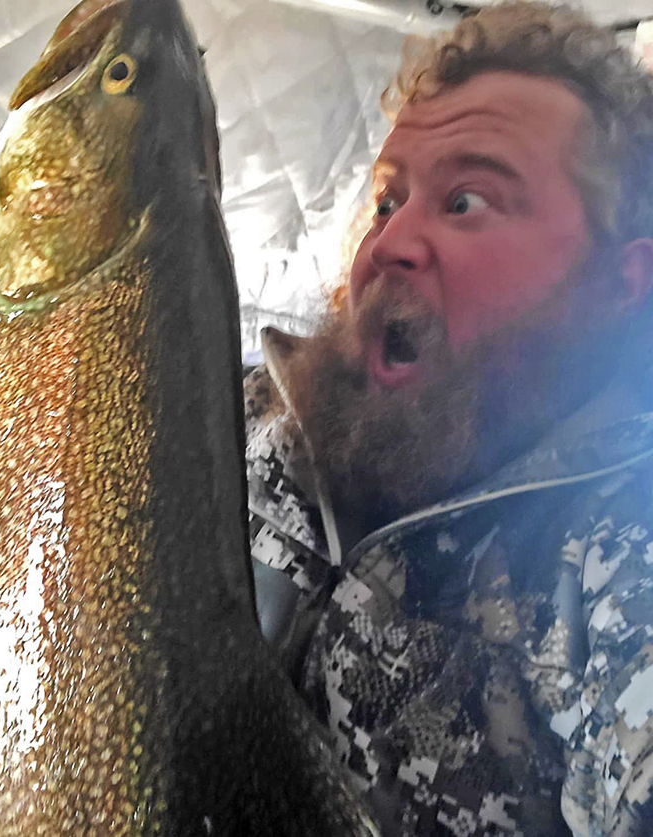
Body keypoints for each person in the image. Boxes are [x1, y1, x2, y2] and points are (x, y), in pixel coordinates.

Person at [243, 2, 653, 835]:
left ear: (617, 283)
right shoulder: (235, 411)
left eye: (466, 199)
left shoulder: (612, 551)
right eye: (389, 201)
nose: (389, 244)